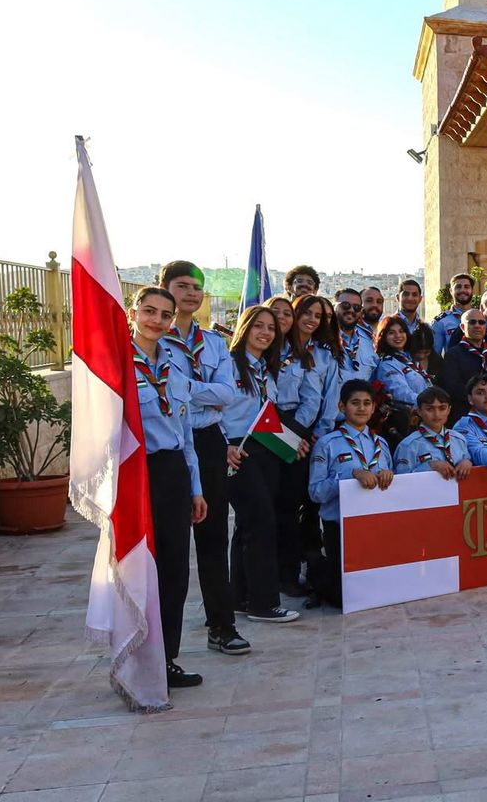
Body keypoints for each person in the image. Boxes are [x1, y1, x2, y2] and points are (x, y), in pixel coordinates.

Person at [157, 262, 247, 657]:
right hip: (169, 442)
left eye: (197, 287)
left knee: (212, 537)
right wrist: (204, 392)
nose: (192, 294)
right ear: (164, 288)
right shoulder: (153, 341)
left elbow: (228, 394)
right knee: (170, 545)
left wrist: (183, 387)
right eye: (183, 286)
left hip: (208, 440)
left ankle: (222, 626)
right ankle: (162, 644)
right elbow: (163, 393)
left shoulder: (213, 343)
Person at [130, 287, 209, 687]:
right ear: (133, 313)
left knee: (175, 569)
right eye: (149, 311)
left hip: (173, 473)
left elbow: (186, 434)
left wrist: (195, 487)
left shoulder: (175, 369)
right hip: (138, 475)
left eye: (165, 314)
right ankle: (136, 658)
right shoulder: (118, 369)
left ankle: (166, 659)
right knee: (138, 570)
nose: (156, 321)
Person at [220, 304, 304, 623]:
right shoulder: (228, 365)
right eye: (258, 326)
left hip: (263, 448)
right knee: (261, 522)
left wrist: (293, 440)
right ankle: (264, 603)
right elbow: (212, 408)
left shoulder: (266, 371)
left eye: (271, 328)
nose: (266, 333)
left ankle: (240, 596)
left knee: (248, 525)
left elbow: (269, 414)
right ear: (245, 328)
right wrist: (223, 445)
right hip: (237, 449)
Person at [308, 380, 394, 610]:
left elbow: (394, 486)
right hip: (340, 527)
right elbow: (315, 493)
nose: (361, 408)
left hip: (376, 525)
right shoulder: (327, 444)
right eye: (355, 403)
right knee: (344, 598)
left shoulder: (382, 444)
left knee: (381, 590)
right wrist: (349, 476)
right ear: (341, 406)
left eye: (367, 403)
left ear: (374, 407)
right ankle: (317, 573)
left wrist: (389, 475)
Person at [275, 294, 335, 601]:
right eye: (306, 313)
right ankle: (278, 575)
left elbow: (322, 399)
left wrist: (307, 436)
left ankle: (307, 573)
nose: (311, 319)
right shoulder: (275, 347)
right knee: (279, 507)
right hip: (272, 427)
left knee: (306, 509)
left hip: (305, 433)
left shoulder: (322, 354)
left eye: (319, 316)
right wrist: (287, 436)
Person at [437, 307, 487, 424]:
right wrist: (479, 399)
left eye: (481, 322)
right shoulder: (453, 354)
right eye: (472, 322)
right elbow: (451, 386)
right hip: (466, 415)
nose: (477, 326)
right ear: (462, 327)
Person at [372, 314, 429, 447]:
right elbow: (401, 394)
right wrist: (429, 403)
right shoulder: (387, 363)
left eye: (401, 331)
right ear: (383, 337)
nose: (398, 336)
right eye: (391, 333)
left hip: (424, 417)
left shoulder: (408, 360)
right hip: (406, 423)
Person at [394, 386, 473, 478]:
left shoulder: (459, 439)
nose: (436, 414)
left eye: (442, 408)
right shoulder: (408, 445)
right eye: (430, 409)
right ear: (419, 411)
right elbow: (401, 479)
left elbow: (468, 461)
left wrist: (467, 462)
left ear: (449, 410)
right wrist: (430, 466)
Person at [331, 288, 379, 404]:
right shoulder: (323, 339)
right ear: (334, 307)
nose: (351, 310)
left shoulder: (369, 341)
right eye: (345, 305)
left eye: (356, 307)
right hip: (329, 413)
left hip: (361, 411)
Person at [432, 272, 478, 354]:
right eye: (458, 287)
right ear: (451, 291)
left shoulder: (480, 318)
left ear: (472, 290)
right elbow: (435, 355)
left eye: (466, 287)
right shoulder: (440, 322)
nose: (462, 290)